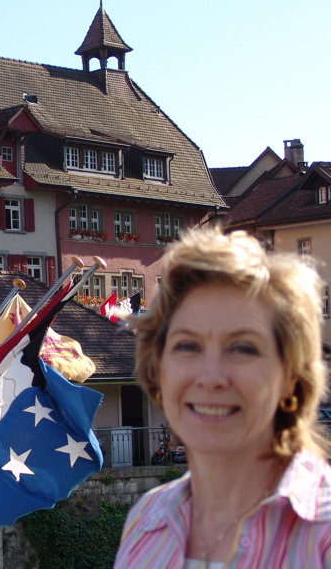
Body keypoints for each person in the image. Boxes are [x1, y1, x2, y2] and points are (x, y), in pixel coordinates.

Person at [114, 228, 331, 568]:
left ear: (291, 377)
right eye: (187, 346)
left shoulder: (323, 530)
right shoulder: (147, 521)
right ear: (158, 369)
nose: (210, 377)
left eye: (242, 348)